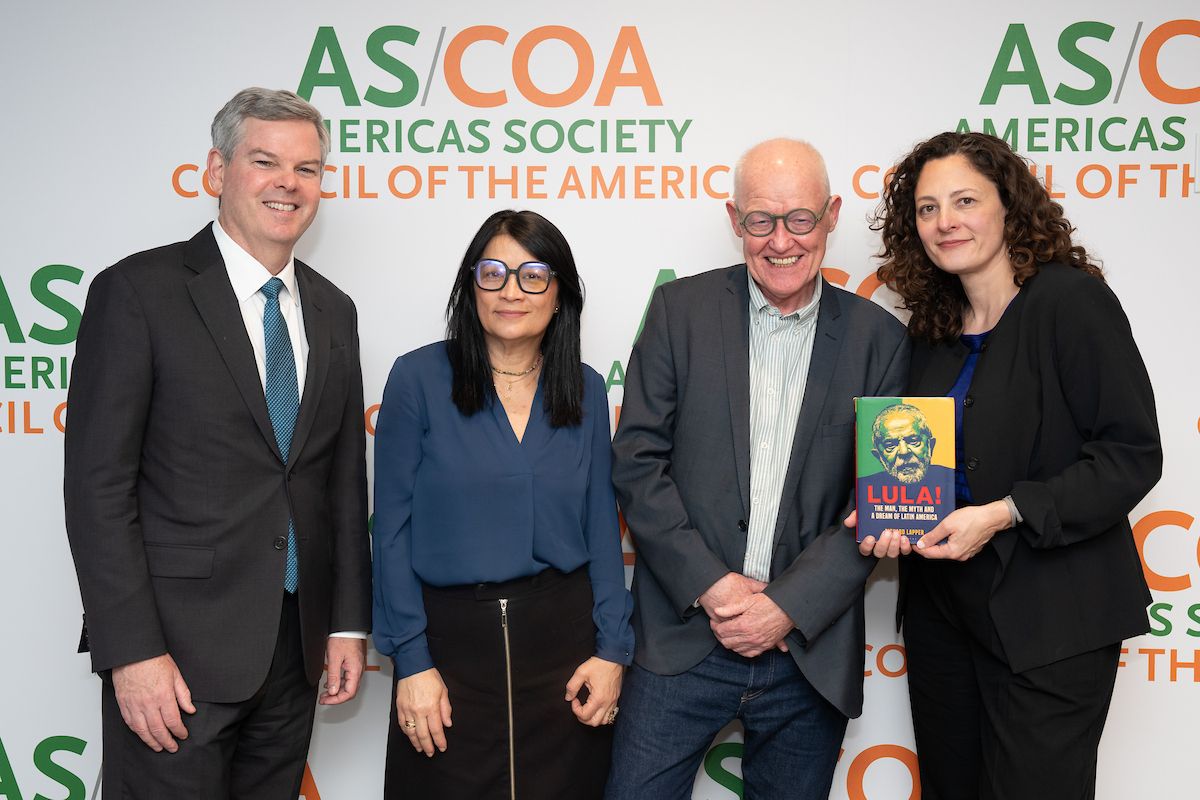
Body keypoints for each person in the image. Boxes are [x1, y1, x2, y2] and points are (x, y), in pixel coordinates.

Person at [62, 88, 371, 798]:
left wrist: (349, 623)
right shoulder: (138, 292)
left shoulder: (333, 309)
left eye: (308, 168)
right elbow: (98, 489)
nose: (288, 183)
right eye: (265, 161)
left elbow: (343, 484)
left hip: (294, 656)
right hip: (174, 658)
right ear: (216, 171)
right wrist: (132, 651)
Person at [605, 138, 909, 799]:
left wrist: (784, 607)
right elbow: (636, 461)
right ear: (733, 218)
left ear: (830, 216)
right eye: (760, 220)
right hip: (682, 639)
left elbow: (882, 503)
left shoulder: (879, 341)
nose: (781, 241)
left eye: (799, 218)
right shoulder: (678, 313)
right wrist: (716, 588)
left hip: (808, 653)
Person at [863, 130, 1162, 799]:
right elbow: (916, 464)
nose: (946, 222)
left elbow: (1130, 455)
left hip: (1052, 613)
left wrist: (1004, 513)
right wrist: (887, 511)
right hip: (945, 613)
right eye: (927, 208)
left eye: (964, 200)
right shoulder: (930, 330)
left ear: (1008, 205)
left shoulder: (1070, 302)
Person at [372, 209, 634, 800]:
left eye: (533, 274)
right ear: (471, 287)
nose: (511, 290)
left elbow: (600, 527)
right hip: (449, 654)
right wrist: (411, 662)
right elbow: (390, 530)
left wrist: (612, 651)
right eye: (493, 273)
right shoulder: (417, 379)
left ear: (560, 292)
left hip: (565, 656)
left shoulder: (587, 386)